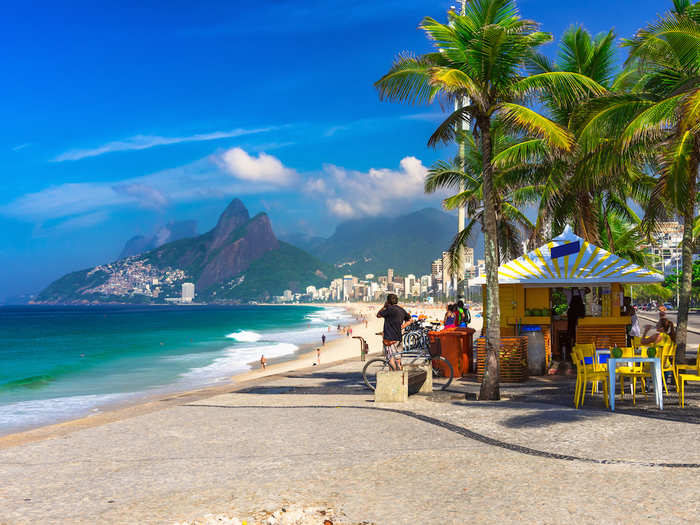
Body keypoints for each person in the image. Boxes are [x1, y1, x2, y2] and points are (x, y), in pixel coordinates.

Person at [376, 293, 411, 371]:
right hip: (399, 338)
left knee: (391, 359)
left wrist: (384, 306)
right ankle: (401, 379)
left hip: (389, 338)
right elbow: (409, 320)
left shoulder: (388, 309)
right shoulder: (401, 309)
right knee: (398, 361)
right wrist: (401, 327)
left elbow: (378, 315)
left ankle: (393, 377)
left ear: (388, 301)